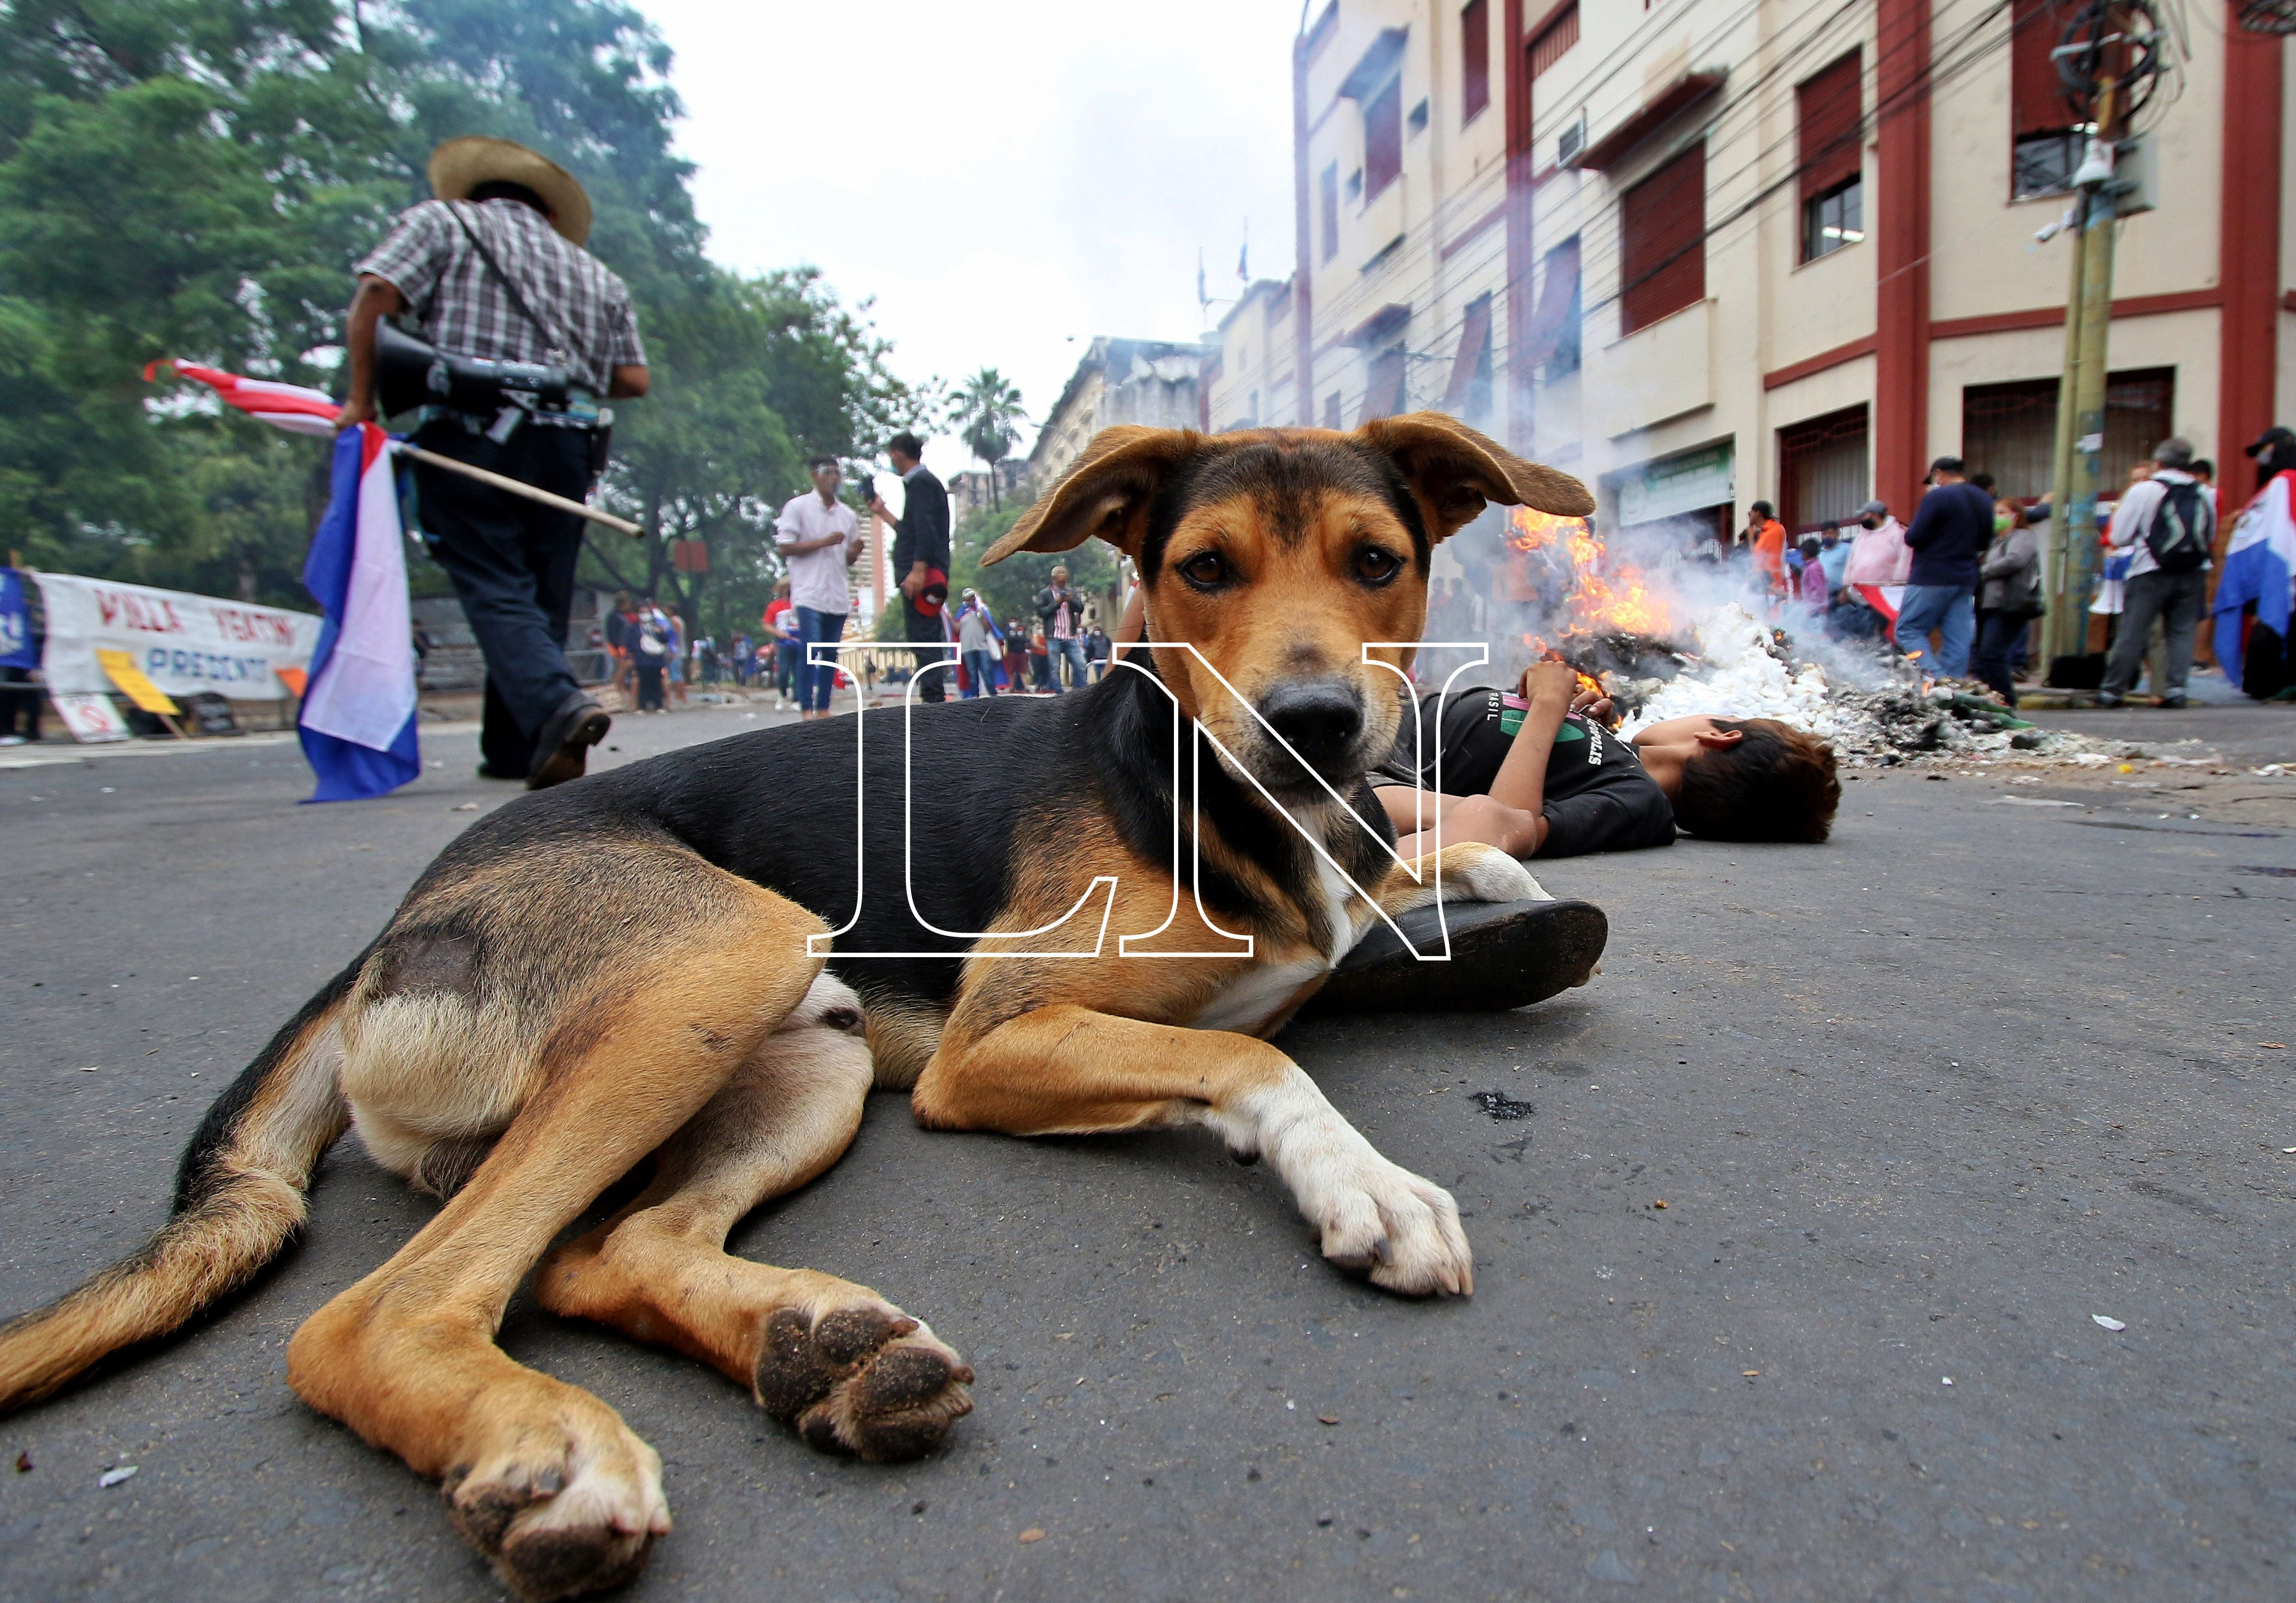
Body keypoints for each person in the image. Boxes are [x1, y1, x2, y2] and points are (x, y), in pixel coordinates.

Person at [340, 136, 646, 789]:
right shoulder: (595, 274)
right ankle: (516, 747)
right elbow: (632, 377)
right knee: (541, 594)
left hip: (473, 433)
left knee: (495, 581)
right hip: (565, 443)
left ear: (474, 192)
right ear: (551, 214)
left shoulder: (441, 222)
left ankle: (558, 704)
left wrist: (361, 400)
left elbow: (375, 295)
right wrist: (564, 369)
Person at [1371, 661, 1840, 861]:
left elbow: (1516, 826)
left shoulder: (1644, 805)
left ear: (1720, 735)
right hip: (1382, 718)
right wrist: (1574, 712)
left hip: (1386, 771)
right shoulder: (1620, 750)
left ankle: (1339, 887)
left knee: (1485, 822)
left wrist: (1551, 704)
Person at [2097, 437, 2215, 708]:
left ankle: (2113, 690)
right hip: (2194, 571)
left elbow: (2121, 535)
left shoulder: (2144, 490)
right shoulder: (2204, 493)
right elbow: (2209, 534)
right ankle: (2176, 689)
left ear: (2159, 462)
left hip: (2149, 569)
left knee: (2133, 629)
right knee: (2182, 631)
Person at [774, 456, 865, 720]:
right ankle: (805, 707)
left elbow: (846, 560)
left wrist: (854, 552)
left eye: (838, 473)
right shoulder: (798, 508)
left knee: (829, 653)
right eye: (828, 472)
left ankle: (823, 707)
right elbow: (785, 547)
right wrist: (823, 542)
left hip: (836, 593)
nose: (834, 478)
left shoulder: (847, 515)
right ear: (815, 475)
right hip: (809, 591)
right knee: (810, 648)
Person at [869, 433, 951, 701]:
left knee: (924, 636)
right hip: (922, 572)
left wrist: (918, 570)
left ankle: (934, 700)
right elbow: (912, 531)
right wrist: (883, 513)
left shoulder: (921, 483)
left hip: (924, 575)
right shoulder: (918, 484)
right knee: (921, 634)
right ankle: (932, 698)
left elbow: (927, 531)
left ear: (897, 453)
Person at [1895, 457, 1992, 679]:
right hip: (1966, 578)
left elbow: (1915, 537)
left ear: (1939, 474)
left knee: (1909, 630)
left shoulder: (1937, 497)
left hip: (1932, 575)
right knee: (1959, 638)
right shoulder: (1984, 499)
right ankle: (1953, 687)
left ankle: (1934, 678)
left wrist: (1910, 532)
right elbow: (1985, 542)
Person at [1974, 496, 2044, 705]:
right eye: (1995, 513)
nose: (1997, 518)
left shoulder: (2023, 536)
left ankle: (2007, 699)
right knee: (1985, 655)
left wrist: (1982, 572)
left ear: (2016, 516)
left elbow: (2015, 560)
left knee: (1992, 652)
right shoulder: (1994, 542)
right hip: (1989, 604)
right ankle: (1996, 698)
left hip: (2009, 604)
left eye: (2003, 513)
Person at [1034, 564, 1091, 691]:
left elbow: (1080, 609)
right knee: (1055, 668)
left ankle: (1081, 691)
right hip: (1053, 637)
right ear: (1053, 580)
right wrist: (1057, 603)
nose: (1063, 584)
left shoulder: (1072, 592)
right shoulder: (1045, 594)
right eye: (1060, 582)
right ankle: (1059, 694)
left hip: (1070, 636)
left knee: (1081, 664)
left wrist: (1072, 600)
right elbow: (1041, 613)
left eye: (1065, 581)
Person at [955, 589, 1001, 698]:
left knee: (987, 671)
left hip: (982, 646)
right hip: (967, 648)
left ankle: (993, 695)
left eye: (972, 597)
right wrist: (949, 618)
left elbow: (988, 628)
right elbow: (957, 630)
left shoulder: (982, 610)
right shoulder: (961, 612)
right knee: (972, 674)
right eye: (968, 598)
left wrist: (981, 615)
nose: (970, 600)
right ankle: (975, 696)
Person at [1743, 501, 1788, 595]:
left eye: (1751, 513)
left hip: (1771, 586)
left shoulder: (1773, 531)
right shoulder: (1767, 531)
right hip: (1765, 585)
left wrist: (1751, 538)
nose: (1749, 516)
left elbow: (1758, 557)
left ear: (1758, 513)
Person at [1794, 535, 1828, 618]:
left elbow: (1818, 589)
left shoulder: (1814, 567)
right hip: (1813, 607)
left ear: (1806, 554)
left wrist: (1812, 608)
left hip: (1817, 609)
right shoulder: (1811, 566)